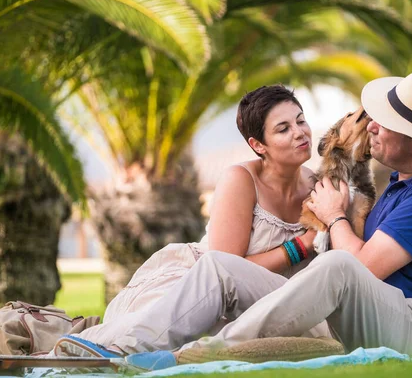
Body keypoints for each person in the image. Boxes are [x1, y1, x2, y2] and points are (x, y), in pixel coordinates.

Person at [58, 71, 412, 361]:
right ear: (257, 144)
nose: (371, 127)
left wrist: (334, 218)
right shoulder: (406, 179)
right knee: (221, 267)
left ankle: (213, 351)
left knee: (338, 266)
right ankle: (112, 346)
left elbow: (361, 268)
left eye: (385, 124)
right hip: (357, 316)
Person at [54, 84, 330, 357]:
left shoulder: (319, 186)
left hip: (271, 301)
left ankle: (102, 350)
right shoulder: (242, 180)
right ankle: (77, 352)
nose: (300, 133)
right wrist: (300, 247)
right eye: (283, 129)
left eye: (301, 121)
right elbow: (226, 266)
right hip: (202, 284)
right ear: (258, 145)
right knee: (165, 324)